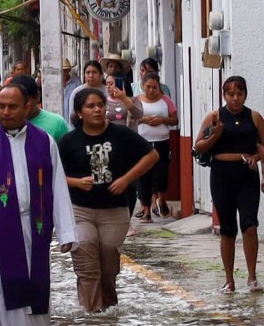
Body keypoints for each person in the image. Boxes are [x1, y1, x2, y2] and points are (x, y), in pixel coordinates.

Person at [0, 84, 75, 326]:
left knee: (34, 286)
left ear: (28, 107)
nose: (5, 112)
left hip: (35, 225)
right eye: (1, 106)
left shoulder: (44, 142)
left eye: (12, 106)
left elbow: (57, 185)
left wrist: (66, 232)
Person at [59, 86, 158, 313]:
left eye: (100, 105)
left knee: (108, 266)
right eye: (90, 106)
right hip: (79, 210)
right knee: (87, 264)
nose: (97, 110)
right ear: (79, 112)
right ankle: (92, 315)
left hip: (114, 210)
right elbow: (52, 173)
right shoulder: (68, 141)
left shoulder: (120, 134)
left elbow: (152, 155)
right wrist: (76, 182)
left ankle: (109, 307)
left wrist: (126, 179)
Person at [193, 76, 264, 292]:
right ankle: (229, 279)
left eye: (239, 94)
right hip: (221, 175)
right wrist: (215, 135)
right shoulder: (215, 116)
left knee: (250, 224)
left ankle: (252, 277)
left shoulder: (254, 117)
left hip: (246, 175)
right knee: (227, 228)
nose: (235, 98)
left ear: (245, 94)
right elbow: (198, 146)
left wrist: (259, 159)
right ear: (223, 95)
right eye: (230, 94)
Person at [132, 75, 178, 221]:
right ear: (143, 86)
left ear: (159, 87)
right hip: (141, 143)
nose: (151, 90)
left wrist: (162, 120)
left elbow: (175, 120)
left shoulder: (166, 101)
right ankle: (146, 210)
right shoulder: (137, 101)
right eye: (148, 87)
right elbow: (130, 119)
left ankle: (161, 200)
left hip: (161, 142)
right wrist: (143, 119)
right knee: (143, 176)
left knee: (161, 174)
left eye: (154, 87)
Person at [6, 74, 71, 141]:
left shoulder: (58, 124)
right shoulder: (1, 125)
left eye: (26, 100)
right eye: (15, 102)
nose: (22, 105)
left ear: (37, 97)